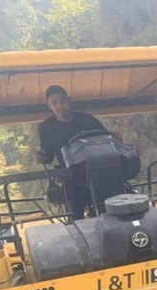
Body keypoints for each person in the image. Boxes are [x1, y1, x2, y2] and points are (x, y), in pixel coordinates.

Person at [36, 85, 107, 218]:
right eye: (54, 103)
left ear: (69, 100)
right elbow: (48, 156)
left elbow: (106, 137)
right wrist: (42, 156)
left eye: (62, 101)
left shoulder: (86, 119)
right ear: (48, 105)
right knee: (75, 215)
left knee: (106, 209)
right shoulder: (46, 128)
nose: (59, 106)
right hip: (71, 177)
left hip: (98, 173)